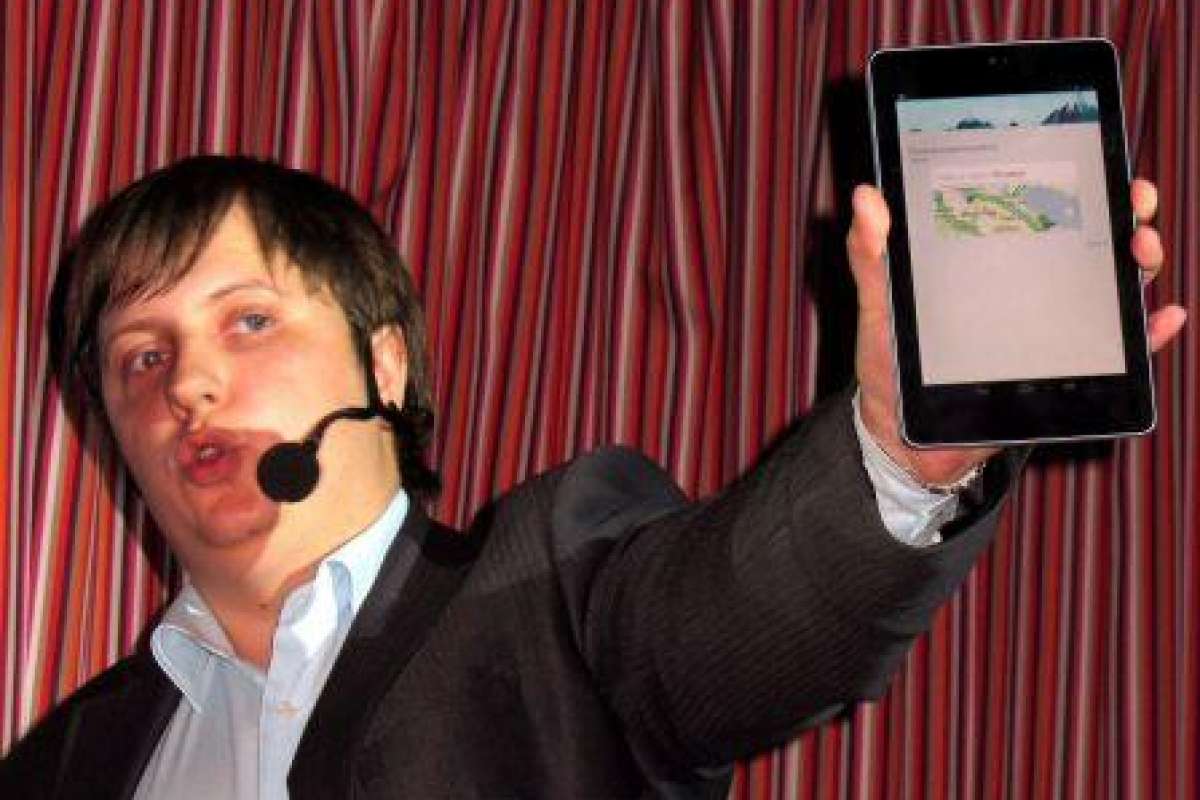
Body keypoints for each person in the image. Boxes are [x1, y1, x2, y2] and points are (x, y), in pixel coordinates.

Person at [0, 156, 1183, 799]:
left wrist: (906, 445)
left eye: (248, 320)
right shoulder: (66, 761)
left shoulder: (551, 589)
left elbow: (748, 618)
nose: (190, 383)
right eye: (140, 356)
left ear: (384, 362)